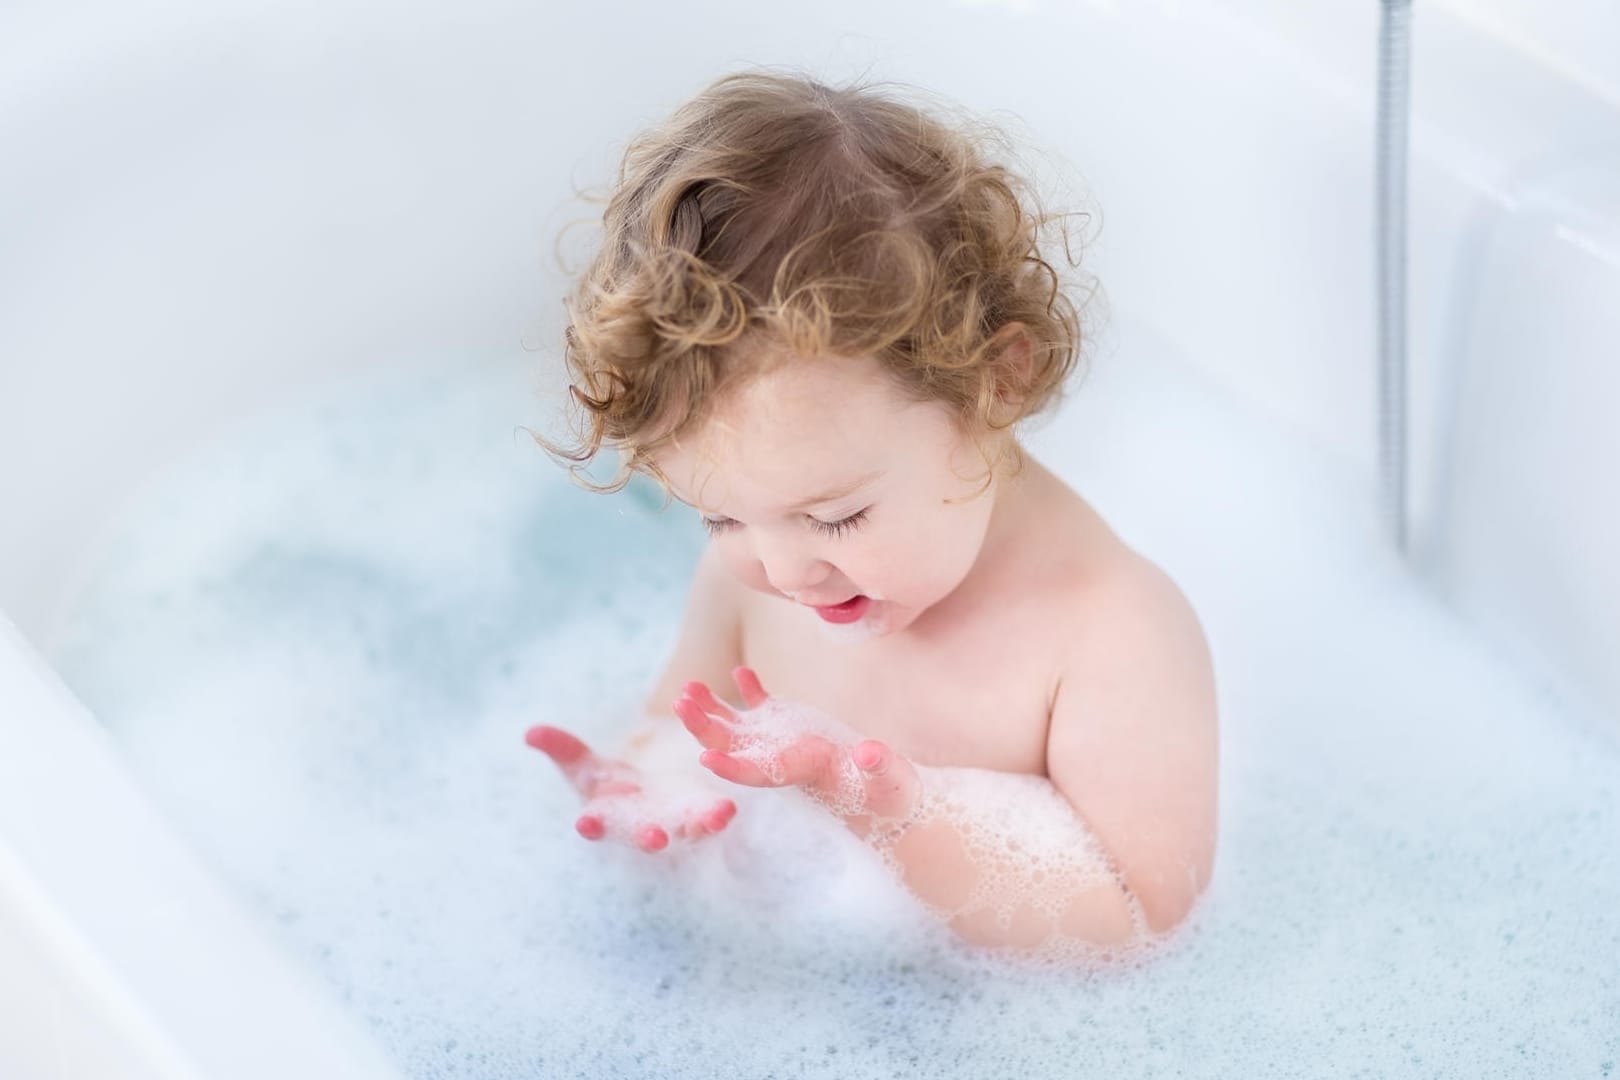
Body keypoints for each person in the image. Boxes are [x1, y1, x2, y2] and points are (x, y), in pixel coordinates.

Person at [526, 68, 1217, 954]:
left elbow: (1141, 924)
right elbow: (671, 731)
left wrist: (892, 815)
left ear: (995, 383)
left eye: (837, 517)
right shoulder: (761, 576)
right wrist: (649, 798)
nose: (779, 572)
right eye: (720, 519)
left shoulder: (1111, 633)